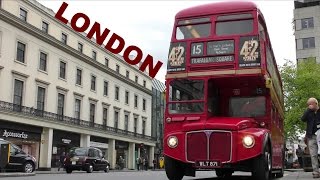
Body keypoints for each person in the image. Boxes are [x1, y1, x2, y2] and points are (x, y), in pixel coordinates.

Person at [301, 97, 320, 178]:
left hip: (319, 135)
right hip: (311, 136)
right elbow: (303, 119)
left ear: (316, 104)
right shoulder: (308, 112)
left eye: (310, 104)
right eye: (308, 105)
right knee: (313, 155)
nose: (309, 106)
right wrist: (308, 110)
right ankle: (316, 172)